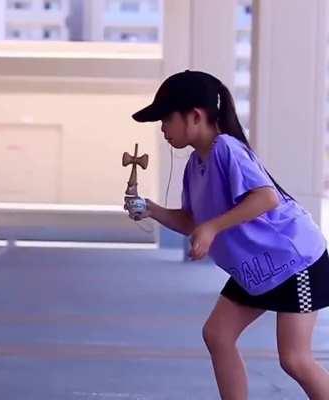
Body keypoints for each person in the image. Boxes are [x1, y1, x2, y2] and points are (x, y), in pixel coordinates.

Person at [125, 70, 329, 400]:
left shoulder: (226, 150)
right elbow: (192, 220)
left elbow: (266, 197)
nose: (162, 128)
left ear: (195, 116)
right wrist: (150, 209)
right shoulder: (195, 165)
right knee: (218, 335)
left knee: (295, 359)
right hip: (257, 270)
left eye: (166, 118)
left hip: (296, 262)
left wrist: (213, 227)